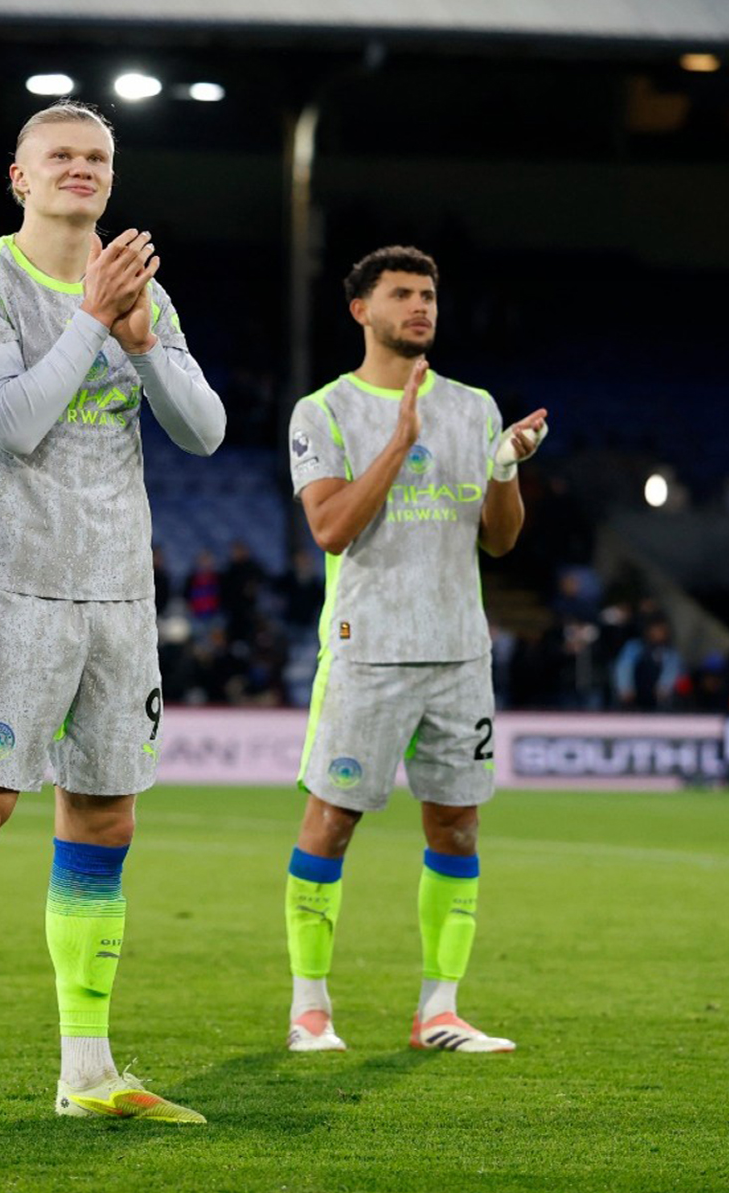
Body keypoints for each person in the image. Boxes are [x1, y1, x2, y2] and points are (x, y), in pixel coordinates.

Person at [0, 99, 225, 1133]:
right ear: (17, 178)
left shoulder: (140, 290)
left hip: (118, 588)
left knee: (105, 818)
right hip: (10, 581)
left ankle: (89, 1069)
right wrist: (90, 319)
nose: (80, 168)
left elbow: (202, 433)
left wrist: (144, 335)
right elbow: (15, 425)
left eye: (97, 157)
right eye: (58, 154)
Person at [282, 245, 548, 1055]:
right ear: (360, 310)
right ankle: (310, 1009)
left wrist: (503, 467)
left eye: (428, 293)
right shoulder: (322, 411)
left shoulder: (472, 407)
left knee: (458, 830)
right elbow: (330, 530)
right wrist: (400, 441)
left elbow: (500, 543)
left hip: (459, 654)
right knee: (330, 825)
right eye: (401, 293)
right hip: (369, 653)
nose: (420, 306)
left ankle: (440, 1010)